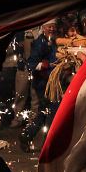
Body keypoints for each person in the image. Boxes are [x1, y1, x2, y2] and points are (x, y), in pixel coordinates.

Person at [19, 20, 58, 152]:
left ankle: (27, 135)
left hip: (52, 84)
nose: (52, 29)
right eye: (49, 27)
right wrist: (45, 65)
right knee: (50, 112)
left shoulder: (55, 41)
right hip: (43, 84)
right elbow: (31, 63)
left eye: (53, 26)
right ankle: (47, 146)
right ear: (43, 28)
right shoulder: (39, 43)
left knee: (44, 112)